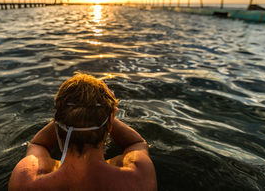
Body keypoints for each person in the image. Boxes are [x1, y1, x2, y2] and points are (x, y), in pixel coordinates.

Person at [9, 73, 157, 190]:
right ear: (111, 120)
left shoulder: (26, 180)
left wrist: (67, 115)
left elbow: (38, 144)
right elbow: (136, 143)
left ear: (57, 119)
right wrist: (108, 115)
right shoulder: (138, 176)